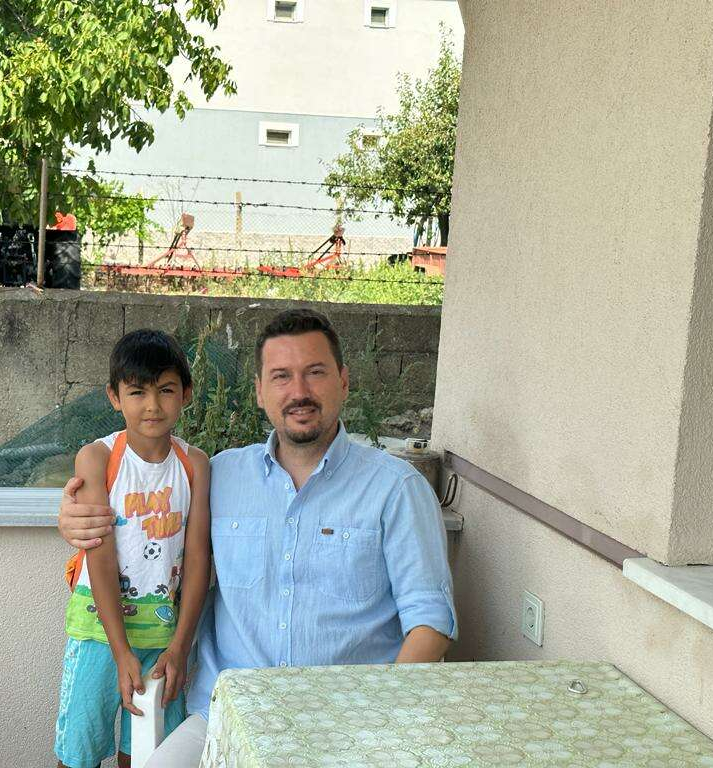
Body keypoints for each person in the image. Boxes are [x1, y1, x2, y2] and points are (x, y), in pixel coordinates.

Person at [58, 309, 456, 767]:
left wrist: (378, 724)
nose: (299, 391)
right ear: (259, 391)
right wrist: (74, 518)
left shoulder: (396, 489)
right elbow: (142, 514)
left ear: (344, 382)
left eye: (315, 372)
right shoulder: (221, 474)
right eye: (281, 376)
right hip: (225, 716)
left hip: (346, 725)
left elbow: (431, 622)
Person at [54, 329, 211, 768]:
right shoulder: (98, 458)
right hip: (99, 633)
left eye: (166, 390)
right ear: (114, 396)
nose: (152, 405)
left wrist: (180, 646)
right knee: (78, 754)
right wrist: (120, 650)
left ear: (186, 394)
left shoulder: (195, 465)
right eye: (138, 391)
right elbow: (99, 555)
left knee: (146, 754)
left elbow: (198, 559)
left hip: (163, 639)